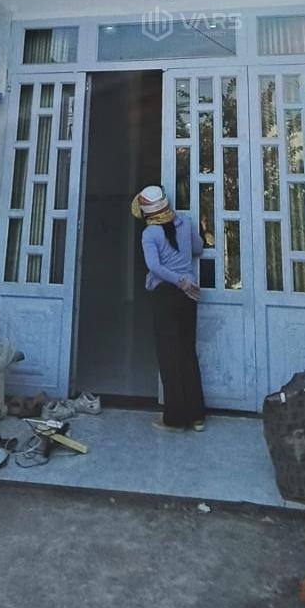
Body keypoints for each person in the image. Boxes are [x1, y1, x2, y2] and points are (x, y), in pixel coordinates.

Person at [133, 185, 207, 433]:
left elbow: (154, 266)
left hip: (165, 295)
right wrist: (185, 279)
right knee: (187, 352)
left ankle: (175, 419)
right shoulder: (184, 223)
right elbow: (198, 248)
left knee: (169, 355)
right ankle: (196, 417)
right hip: (188, 296)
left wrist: (177, 280)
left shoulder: (150, 233)